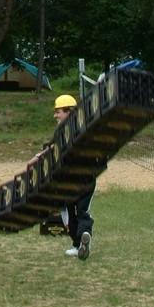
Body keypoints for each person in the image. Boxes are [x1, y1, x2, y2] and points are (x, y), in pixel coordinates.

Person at [54, 94, 93, 261]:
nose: (55, 115)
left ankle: (78, 244)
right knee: (81, 211)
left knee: (72, 212)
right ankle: (84, 236)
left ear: (68, 112)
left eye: (58, 112)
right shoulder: (84, 126)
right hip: (85, 177)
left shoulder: (66, 131)